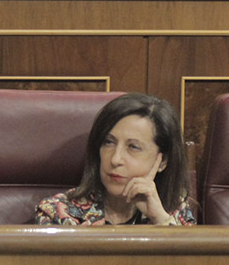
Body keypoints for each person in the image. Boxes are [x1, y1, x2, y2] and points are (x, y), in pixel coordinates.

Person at [36, 93, 195, 225]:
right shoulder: (58, 213)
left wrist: (160, 219)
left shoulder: (174, 211)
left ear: (162, 162)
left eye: (133, 147)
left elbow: (192, 262)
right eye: (109, 142)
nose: (115, 159)